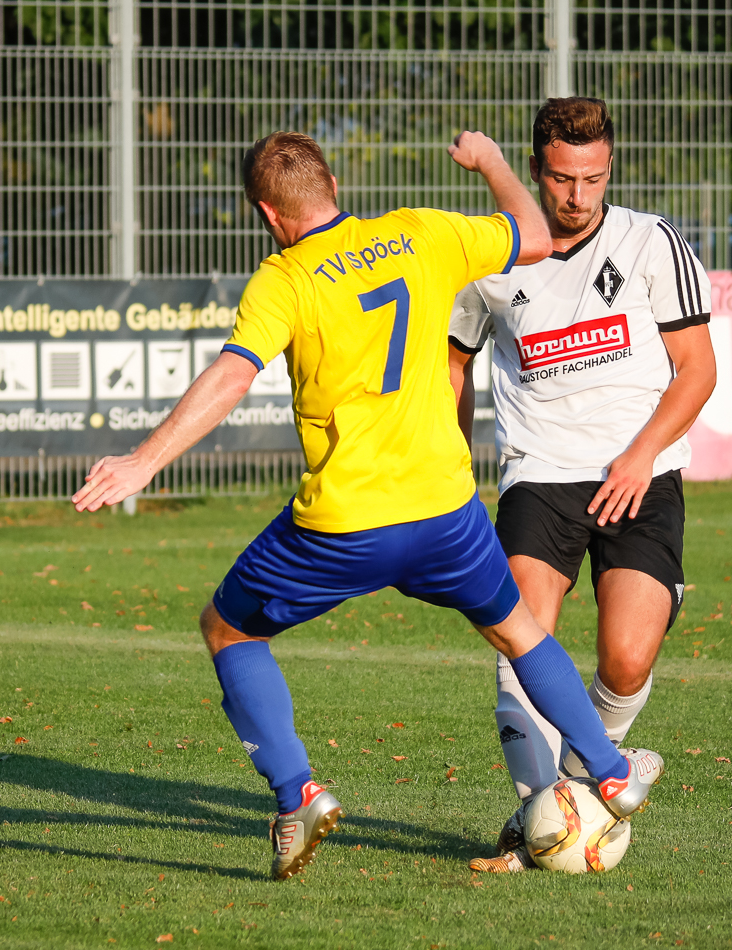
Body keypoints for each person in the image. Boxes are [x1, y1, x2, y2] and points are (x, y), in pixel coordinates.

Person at [72, 129, 665, 880]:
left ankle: (297, 795)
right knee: (519, 632)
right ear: (334, 188)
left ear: (268, 213)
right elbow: (537, 236)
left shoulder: (284, 278)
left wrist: (144, 460)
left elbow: (232, 374)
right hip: (446, 512)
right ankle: (611, 771)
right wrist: (490, 162)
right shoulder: (419, 232)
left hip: (347, 523)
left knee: (228, 629)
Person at [447, 98, 716, 873]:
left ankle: (571, 786)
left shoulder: (651, 241)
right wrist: (454, 467)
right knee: (518, 637)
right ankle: (542, 813)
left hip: (641, 476)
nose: (578, 195)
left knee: (626, 660)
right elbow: (453, 366)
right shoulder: (487, 260)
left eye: (594, 178)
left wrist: (641, 455)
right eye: (564, 179)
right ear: (536, 170)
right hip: (538, 475)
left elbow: (698, 370)